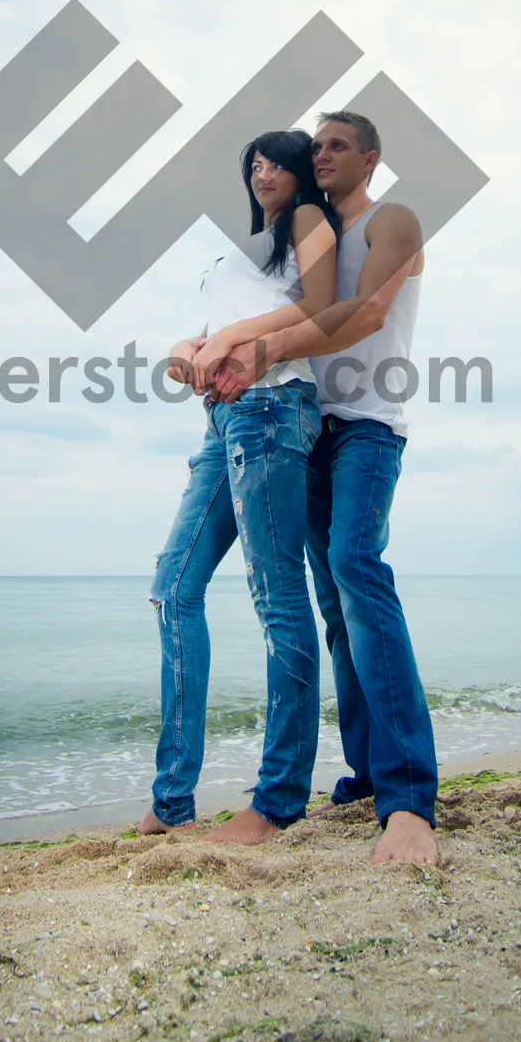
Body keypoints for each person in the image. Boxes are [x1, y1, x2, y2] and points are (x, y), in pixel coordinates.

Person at [197, 111, 438, 867]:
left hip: (368, 426)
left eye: (339, 145)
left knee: (359, 574)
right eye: (319, 146)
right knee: (333, 604)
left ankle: (408, 800)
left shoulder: (392, 219)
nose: (324, 154)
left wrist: (258, 347)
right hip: (308, 428)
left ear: (370, 157)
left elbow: (365, 313)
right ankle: (368, 773)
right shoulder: (311, 237)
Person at [137, 130, 339, 845]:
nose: (262, 171)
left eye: (276, 162)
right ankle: (172, 806)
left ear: (298, 174)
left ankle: (280, 799)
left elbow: (322, 305)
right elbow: (207, 329)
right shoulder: (233, 252)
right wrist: (185, 348)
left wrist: (233, 342)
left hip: (273, 409)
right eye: (252, 162)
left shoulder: (308, 224)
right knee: (173, 589)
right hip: (222, 423)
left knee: (278, 600)